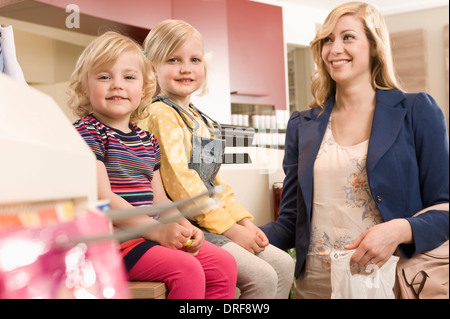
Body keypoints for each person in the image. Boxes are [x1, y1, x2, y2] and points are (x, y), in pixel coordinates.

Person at [260, 1, 449, 299]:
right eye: (327, 40)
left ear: (374, 46)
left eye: (347, 37)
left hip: (391, 285)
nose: (335, 49)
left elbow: (445, 206)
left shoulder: (416, 111)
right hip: (314, 288)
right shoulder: (302, 124)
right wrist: (236, 234)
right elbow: (291, 222)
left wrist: (400, 229)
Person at [68, 31, 237, 299]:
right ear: (84, 87)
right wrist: (157, 229)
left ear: (144, 87)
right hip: (114, 243)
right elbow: (103, 197)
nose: (117, 85)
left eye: (129, 77)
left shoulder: (147, 140)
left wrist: (183, 225)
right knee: (187, 270)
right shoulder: (87, 132)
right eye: (104, 76)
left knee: (224, 265)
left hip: (148, 236)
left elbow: (159, 198)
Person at [139, 19, 295, 299]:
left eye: (194, 59)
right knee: (262, 277)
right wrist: (232, 230)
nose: (186, 68)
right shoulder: (160, 114)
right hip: (184, 224)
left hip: (211, 220)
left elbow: (214, 182)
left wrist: (244, 222)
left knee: (284, 264)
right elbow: (182, 184)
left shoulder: (202, 120)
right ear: (153, 69)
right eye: (173, 59)